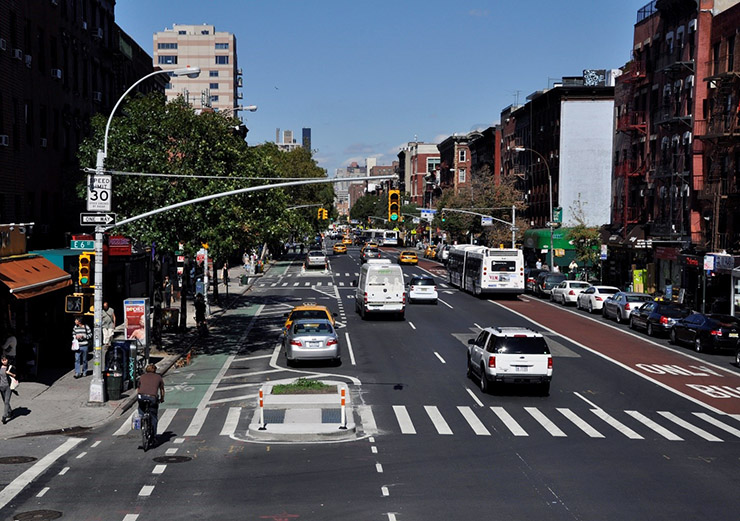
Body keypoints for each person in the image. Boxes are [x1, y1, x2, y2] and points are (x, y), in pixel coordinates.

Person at [137, 363, 165, 438]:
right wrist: (162, 398)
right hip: (152, 398)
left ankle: (142, 419)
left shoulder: (142, 377)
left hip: (141, 397)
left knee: (140, 408)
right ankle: (154, 436)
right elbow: (162, 389)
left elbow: (138, 388)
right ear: (155, 370)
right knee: (154, 417)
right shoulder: (158, 377)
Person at [0, 357, 15, 424]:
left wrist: (9, 373)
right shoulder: (0, 368)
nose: (4, 361)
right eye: (3, 360)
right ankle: (10, 411)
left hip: (8, 387)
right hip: (1, 387)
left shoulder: (10, 367)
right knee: (5, 401)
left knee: (6, 401)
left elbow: (15, 375)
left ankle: (4, 416)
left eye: (5, 360)